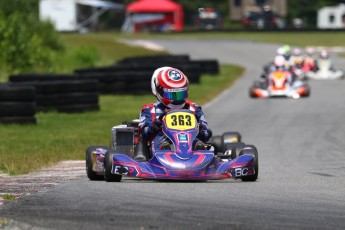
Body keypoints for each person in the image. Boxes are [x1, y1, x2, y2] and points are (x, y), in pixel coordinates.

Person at [138, 66, 211, 156]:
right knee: (162, 142)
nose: (178, 99)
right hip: (161, 143)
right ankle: (165, 152)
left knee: (196, 141)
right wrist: (158, 122)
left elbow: (206, 135)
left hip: (190, 142)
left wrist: (199, 127)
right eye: (173, 95)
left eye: (181, 94)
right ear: (159, 91)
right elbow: (145, 134)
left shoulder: (194, 108)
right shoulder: (150, 110)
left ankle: (199, 151)